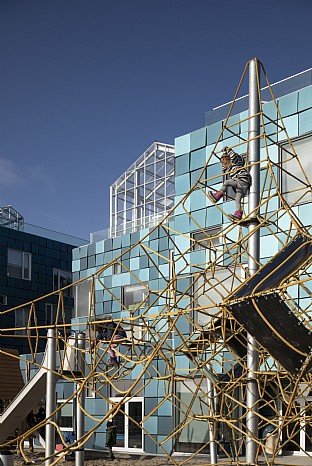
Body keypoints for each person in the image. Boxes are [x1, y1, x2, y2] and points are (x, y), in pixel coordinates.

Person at [207, 146, 252, 221]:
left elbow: (234, 156)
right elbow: (224, 168)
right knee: (237, 199)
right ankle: (238, 214)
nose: (224, 165)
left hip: (242, 180)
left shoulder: (236, 162)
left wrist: (227, 149)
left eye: (224, 163)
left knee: (227, 182)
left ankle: (218, 195)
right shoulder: (229, 168)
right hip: (241, 184)